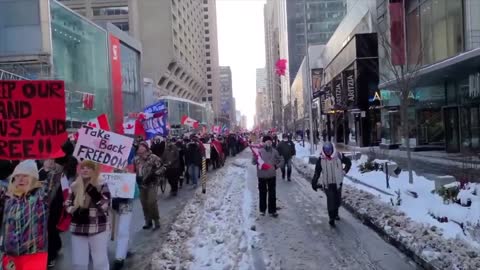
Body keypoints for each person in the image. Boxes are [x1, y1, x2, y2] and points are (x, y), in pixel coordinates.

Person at [0, 160, 57, 270]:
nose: (20, 179)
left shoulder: (42, 195)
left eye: (25, 175)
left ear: (33, 178)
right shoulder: (7, 196)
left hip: (34, 253)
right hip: (10, 253)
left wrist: (48, 168)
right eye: (17, 176)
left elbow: (53, 181)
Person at [65, 160, 111, 270]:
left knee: (100, 261)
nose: (85, 170)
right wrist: (73, 209)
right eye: (83, 168)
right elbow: (68, 203)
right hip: (78, 225)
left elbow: (106, 205)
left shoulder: (101, 184)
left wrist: (93, 192)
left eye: (88, 168)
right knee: (79, 262)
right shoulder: (74, 185)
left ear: (94, 170)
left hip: (97, 225)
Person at [311, 142, 351, 227]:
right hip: (327, 183)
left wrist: (344, 171)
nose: (328, 152)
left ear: (332, 149)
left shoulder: (339, 156)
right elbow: (317, 172)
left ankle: (336, 213)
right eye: (326, 150)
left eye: (329, 150)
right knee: (330, 200)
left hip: (338, 183)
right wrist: (314, 182)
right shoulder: (321, 159)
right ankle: (331, 218)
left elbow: (348, 162)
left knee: (337, 200)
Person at [134, 141, 164, 230]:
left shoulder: (153, 157)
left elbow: (162, 167)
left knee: (151, 202)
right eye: (139, 147)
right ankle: (148, 221)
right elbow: (134, 171)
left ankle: (156, 220)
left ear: (146, 148)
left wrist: (155, 174)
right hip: (141, 185)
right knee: (144, 203)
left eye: (142, 147)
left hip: (152, 183)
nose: (140, 148)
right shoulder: (136, 159)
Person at [252, 135, 282, 217]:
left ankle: (272, 210)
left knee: (272, 193)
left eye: (270, 141)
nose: (269, 142)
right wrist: (255, 156)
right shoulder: (259, 151)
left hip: (272, 175)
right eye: (267, 141)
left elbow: (281, 160)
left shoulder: (275, 151)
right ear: (264, 142)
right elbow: (253, 162)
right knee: (262, 193)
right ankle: (262, 210)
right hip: (261, 175)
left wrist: (276, 166)